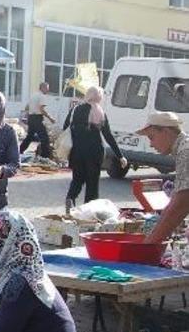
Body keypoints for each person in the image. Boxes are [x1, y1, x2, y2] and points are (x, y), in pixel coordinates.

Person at [64, 86, 127, 211]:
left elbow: (65, 126)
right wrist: (120, 156)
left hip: (76, 151)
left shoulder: (75, 109)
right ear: (99, 97)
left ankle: (70, 198)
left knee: (77, 179)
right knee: (92, 184)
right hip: (94, 152)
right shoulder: (100, 111)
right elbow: (108, 135)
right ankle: (89, 211)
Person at [138, 112, 188, 244]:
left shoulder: (185, 151)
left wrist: (150, 243)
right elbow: (178, 199)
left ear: (165, 132)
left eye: (152, 137)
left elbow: (181, 203)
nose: (151, 144)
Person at [19, 82, 56, 158]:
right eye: (47, 88)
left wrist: (28, 115)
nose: (47, 90)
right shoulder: (41, 96)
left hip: (31, 117)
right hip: (37, 118)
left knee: (29, 136)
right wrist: (50, 118)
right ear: (42, 88)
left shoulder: (33, 95)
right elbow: (42, 109)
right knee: (44, 138)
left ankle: (19, 150)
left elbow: (26, 107)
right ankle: (45, 156)